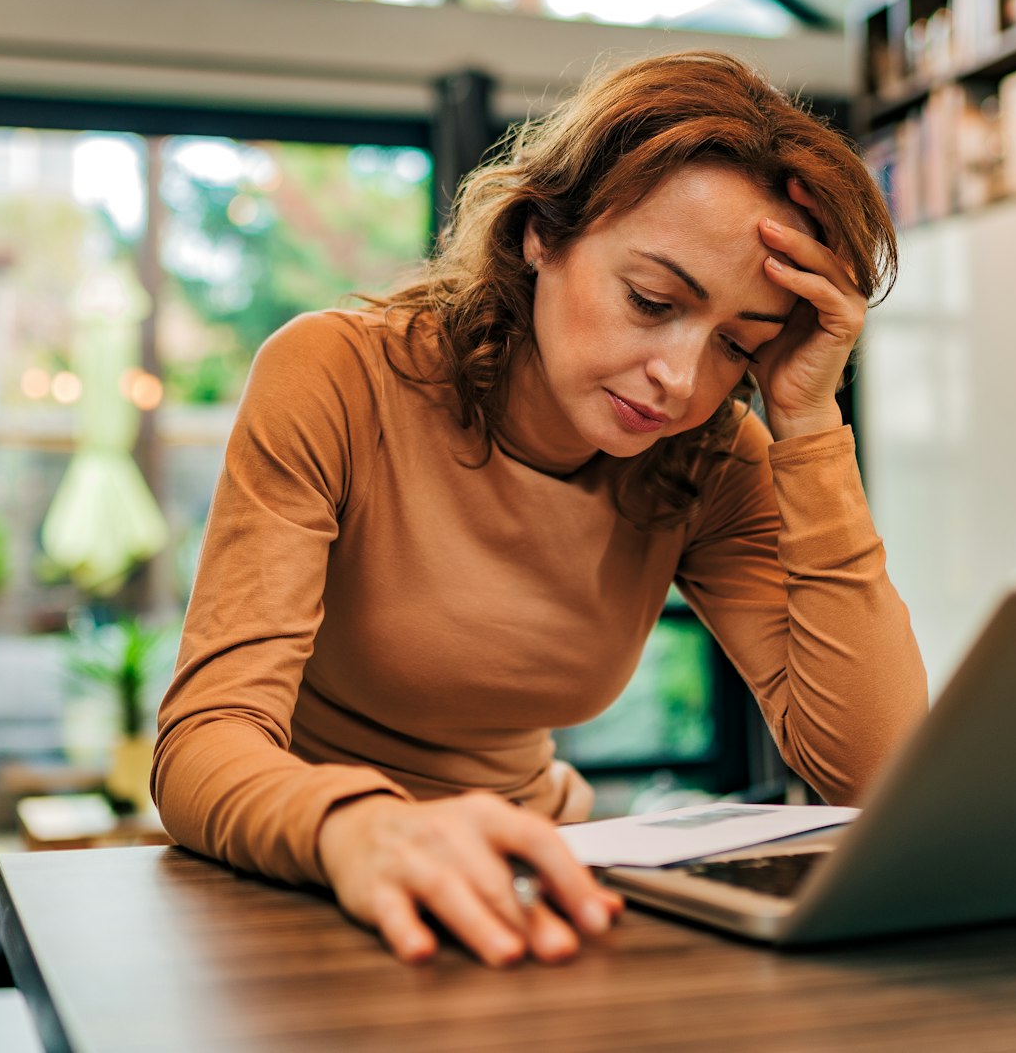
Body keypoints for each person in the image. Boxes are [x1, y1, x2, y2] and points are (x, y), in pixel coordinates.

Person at [152, 50, 928, 968]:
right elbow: (203, 743)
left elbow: (876, 771)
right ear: (540, 232)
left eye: (737, 344)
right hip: (315, 873)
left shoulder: (713, 452)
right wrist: (359, 829)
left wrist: (808, 422)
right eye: (651, 300)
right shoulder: (336, 377)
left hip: (538, 877)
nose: (681, 379)